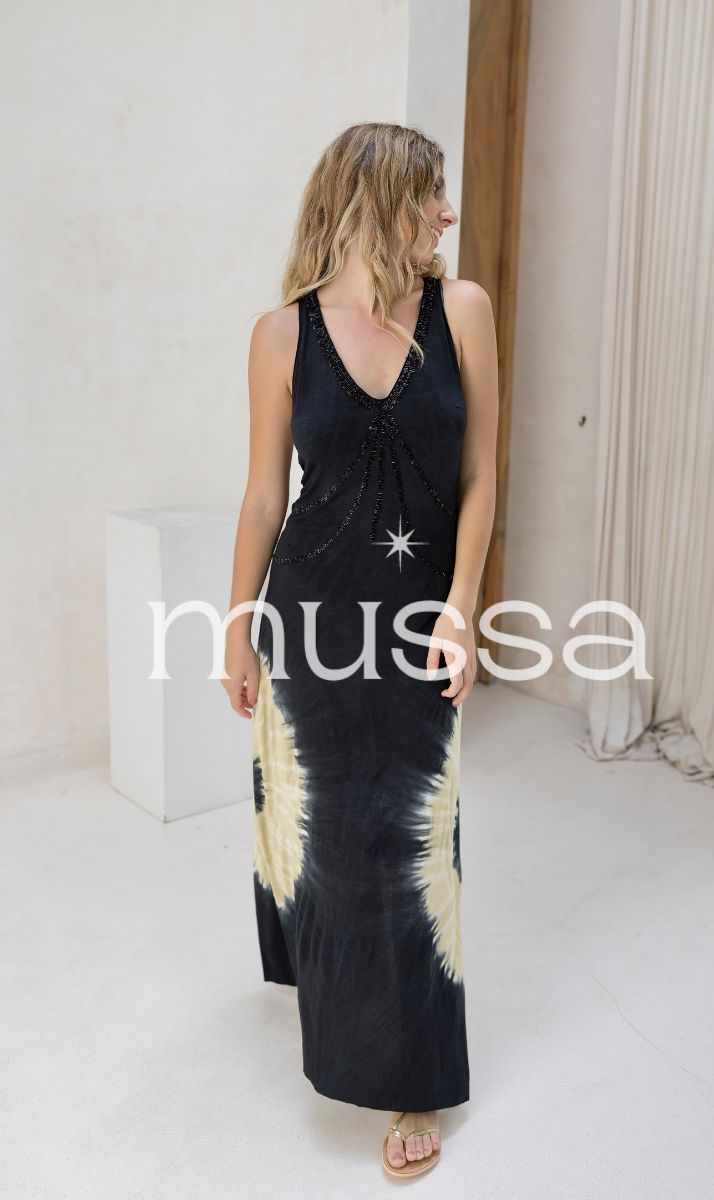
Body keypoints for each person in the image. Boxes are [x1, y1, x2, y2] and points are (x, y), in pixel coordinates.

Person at [222, 121, 498, 1177]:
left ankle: (410, 1077)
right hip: (311, 618)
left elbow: (480, 474)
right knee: (329, 827)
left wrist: (461, 605)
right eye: (433, 193)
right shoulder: (279, 334)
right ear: (376, 198)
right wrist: (238, 622)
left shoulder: (460, 310)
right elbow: (263, 496)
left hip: (420, 618)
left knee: (413, 842)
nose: (448, 214)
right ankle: (324, 976)